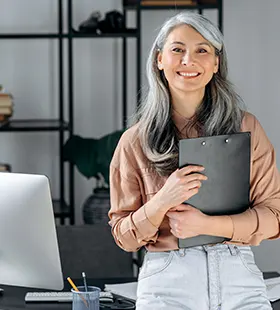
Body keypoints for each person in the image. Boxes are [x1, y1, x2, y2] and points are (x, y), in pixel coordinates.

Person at [108, 12, 280, 310]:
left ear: (216, 63)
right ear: (159, 60)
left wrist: (208, 224)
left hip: (239, 277)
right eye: (177, 50)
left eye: (202, 50)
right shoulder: (134, 141)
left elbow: (274, 217)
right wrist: (161, 201)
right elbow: (124, 237)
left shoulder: (246, 128)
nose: (189, 60)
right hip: (167, 281)